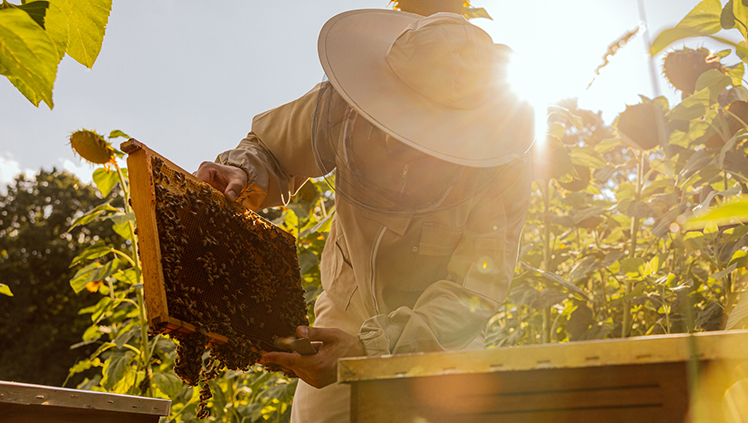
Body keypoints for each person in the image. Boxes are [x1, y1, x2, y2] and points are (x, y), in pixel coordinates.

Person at [195, 9, 534, 423]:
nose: (401, 135)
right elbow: (271, 148)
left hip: (440, 342)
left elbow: (472, 294)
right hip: (343, 314)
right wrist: (243, 170)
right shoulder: (341, 105)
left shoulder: (502, 169)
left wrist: (373, 348)